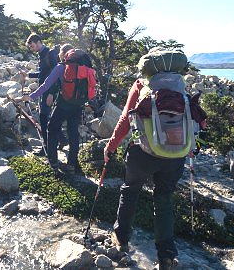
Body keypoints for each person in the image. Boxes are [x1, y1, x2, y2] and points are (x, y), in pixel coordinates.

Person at [103, 55, 207, 270]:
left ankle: (121, 240)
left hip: (142, 154)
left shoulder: (141, 85)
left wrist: (110, 147)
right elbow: (199, 121)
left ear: (148, 69)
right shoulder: (181, 89)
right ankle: (166, 256)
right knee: (164, 200)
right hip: (175, 156)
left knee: (130, 191)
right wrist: (188, 147)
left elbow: (125, 119)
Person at [22, 44, 84, 173]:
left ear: (63, 54)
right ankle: (72, 164)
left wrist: (31, 97)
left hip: (63, 104)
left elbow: (45, 85)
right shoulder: (83, 67)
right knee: (73, 133)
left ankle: (53, 162)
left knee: (52, 129)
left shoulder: (61, 67)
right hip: (78, 105)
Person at [19, 33, 60, 147]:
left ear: (38, 42)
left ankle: (47, 146)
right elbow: (43, 74)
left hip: (49, 90)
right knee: (46, 117)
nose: (31, 48)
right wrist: (28, 74)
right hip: (44, 89)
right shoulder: (42, 55)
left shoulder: (50, 54)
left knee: (44, 117)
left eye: (32, 46)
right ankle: (61, 140)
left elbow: (56, 74)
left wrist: (51, 93)